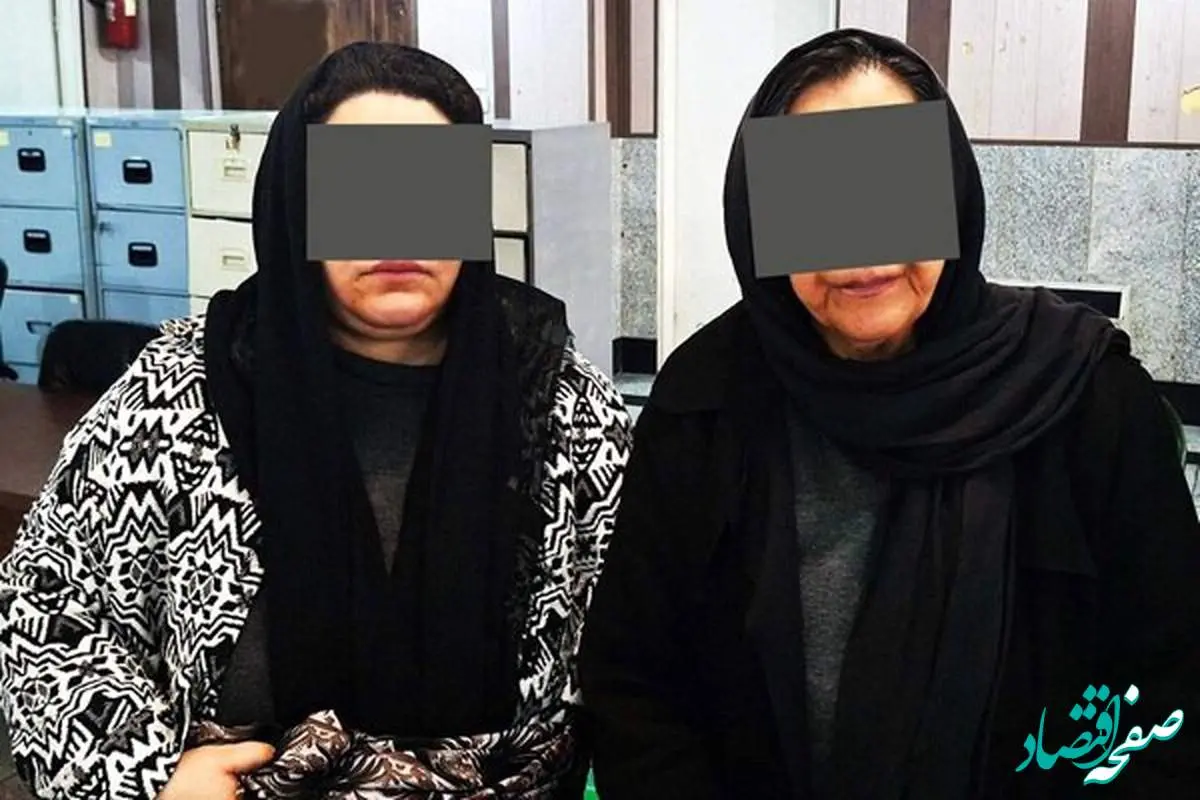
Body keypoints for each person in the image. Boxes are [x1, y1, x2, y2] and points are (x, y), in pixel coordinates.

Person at [578, 28, 1200, 800]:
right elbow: (636, 681)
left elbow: (1170, 692)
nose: (860, 252)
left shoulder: (1086, 398)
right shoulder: (704, 399)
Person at [0, 42, 631, 800]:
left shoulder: (560, 402)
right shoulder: (182, 390)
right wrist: (144, 778)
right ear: (298, 205)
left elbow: (649, 648)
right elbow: (45, 607)